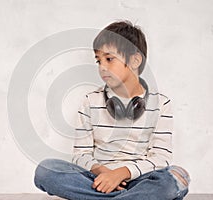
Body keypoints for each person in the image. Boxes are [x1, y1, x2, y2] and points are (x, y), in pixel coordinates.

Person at [34, 20, 190, 200]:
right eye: (98, 60)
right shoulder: (90, 101)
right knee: (46, 170)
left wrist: (121, 173)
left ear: (134, 60)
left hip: (140, 177)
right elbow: (81, 156)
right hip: (99, 179)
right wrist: (106, 174)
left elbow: (161, 157)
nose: (102, 67)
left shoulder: (161, 103)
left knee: (172, 179)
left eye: (109, 59)